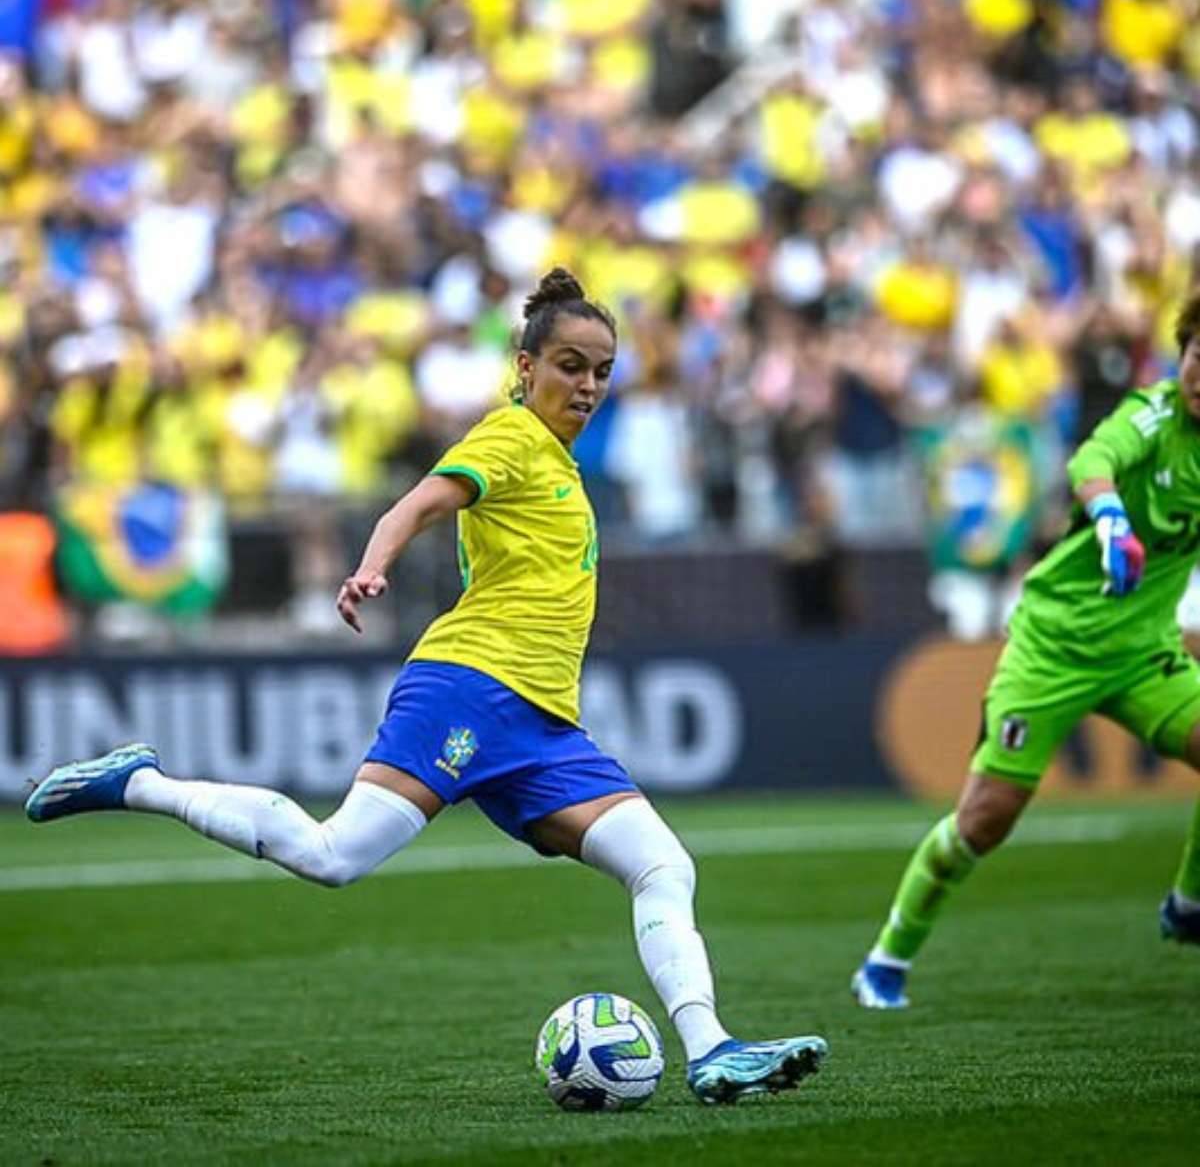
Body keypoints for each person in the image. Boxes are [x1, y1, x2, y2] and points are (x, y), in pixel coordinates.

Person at [26, 268, 827, 1103]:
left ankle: (711, 1050)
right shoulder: (510, 437)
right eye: (569, 365)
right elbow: (417, 502)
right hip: (471, 688)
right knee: (334, 856)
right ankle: (140, 783)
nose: (587, 385)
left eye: (599, 370)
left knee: (664, 865)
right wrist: (370, 570)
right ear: (525, 369)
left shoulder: (556, 461)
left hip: (545, 727)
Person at [852, 288, 1200, 1010]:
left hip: (1142, 653)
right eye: (1198, 355)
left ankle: (1189, 904)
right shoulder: (1153, 413)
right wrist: (1109, 517)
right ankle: (888, 955)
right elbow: (1092, 460)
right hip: (1053, 645)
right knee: (987, 817)